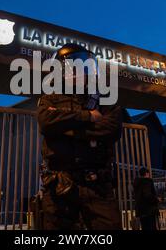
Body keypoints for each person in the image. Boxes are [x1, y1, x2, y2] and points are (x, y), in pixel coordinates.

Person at [37, 43, 123, 230]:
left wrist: (63, 125)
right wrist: (88, 117)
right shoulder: (50, 97)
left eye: (83, 66)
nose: (77, 72)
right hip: (60, 188)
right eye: (71, 68)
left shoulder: (104, 96)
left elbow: (112, 129)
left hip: (98, 187)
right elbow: (45, 122)